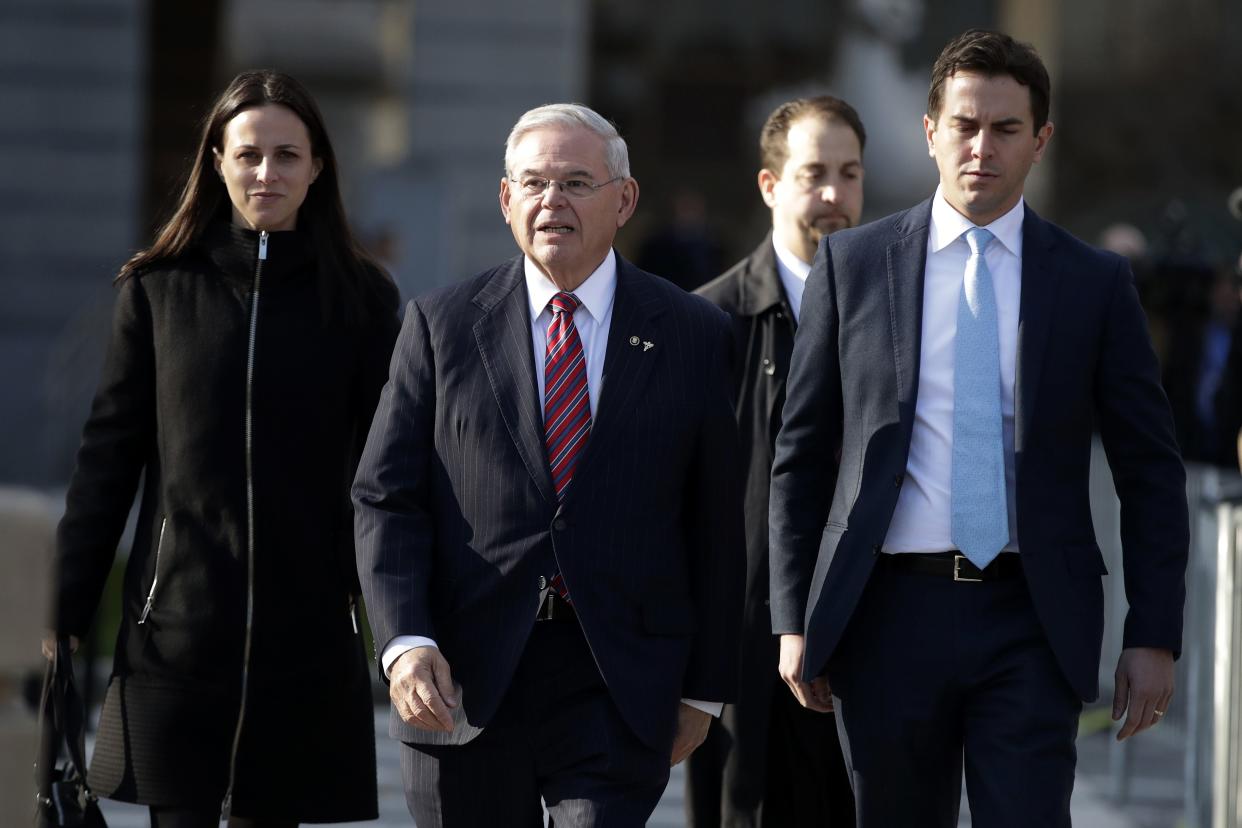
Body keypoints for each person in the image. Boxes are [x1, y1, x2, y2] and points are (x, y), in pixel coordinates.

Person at [769, 29, 1189, 827]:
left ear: (1040, 140)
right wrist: (794, 619)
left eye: (1004, 129)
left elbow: (1150, 468)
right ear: (930, 133)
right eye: (964, 125)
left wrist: (1154, 633)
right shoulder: (853, 266)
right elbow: (801, 456)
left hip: (1032, 618)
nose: (981, 148)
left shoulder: (1093, 284)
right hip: (887, 615)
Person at [352, 103, 746, 827]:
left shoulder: (693, 332)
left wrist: (704, 688)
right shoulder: (441, 326)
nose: (551, 202)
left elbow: (716, 520)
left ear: (624, 200)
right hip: (462, 682)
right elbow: (386, 498)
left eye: (575, 182)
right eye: (532, 183)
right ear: (506, 200)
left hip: (617, 680)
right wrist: (405, 643)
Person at [49, 70, 401, 828]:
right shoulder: (157, 291)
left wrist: (405, 624)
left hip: (303, 646)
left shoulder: (364, 302)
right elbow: (107, 461)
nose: (266, 173)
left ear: (316, 169)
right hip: (174, 638)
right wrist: (63, 611)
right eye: (247, 155)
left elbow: (390, 475)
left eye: (285, 155)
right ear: (217, 162)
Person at [690, 96, 863, 827]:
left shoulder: (898, 315)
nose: (833, 195)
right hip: (739, 660)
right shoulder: (707, 323)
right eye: (813, 173)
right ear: (770, 185)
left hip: (866, 642)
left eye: (850, 174)